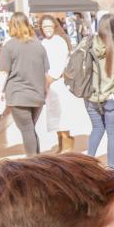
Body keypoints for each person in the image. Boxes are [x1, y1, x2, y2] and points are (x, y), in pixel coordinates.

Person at [0, 11, 49, 156]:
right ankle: (38, 161)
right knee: (30, 129)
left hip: (18, 94)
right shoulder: (39, 46)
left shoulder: (9, 46)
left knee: (27, 130)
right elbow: (45, 72)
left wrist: (0, 93)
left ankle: (32, 163)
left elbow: (3, 72)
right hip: (37, 94)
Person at [40, 14, 89, 153]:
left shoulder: (59, 41)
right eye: (44, 27)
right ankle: (61, 145)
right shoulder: (44, 42)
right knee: (55, 117)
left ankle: (67, 148)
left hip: (58, 83)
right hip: (49, 84)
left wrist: (50, 79)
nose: (47, 29)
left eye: (50, 26)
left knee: (62, 117)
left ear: (55, 26)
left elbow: (61, 64)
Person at [84, 12, 114, 167]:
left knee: (96, 128)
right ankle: (111, 167)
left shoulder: (89, 44)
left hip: (91, 96)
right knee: (113, 133)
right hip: (111, 98)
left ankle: (88, 162)